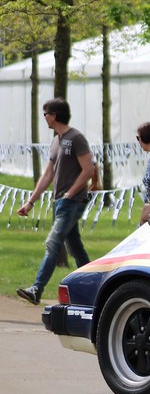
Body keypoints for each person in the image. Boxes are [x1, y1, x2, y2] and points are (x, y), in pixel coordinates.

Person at [16, 98, 94, 305]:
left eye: (46, 113)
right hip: (59, 202)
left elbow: (89, 169)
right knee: (75, 248)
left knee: (53, 242)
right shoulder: (56, 140)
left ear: (55, 115)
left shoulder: (76, 138)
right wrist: (31, 202)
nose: (44, 117)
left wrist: (71, 193)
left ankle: (36, 289)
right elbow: (47, 175)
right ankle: (96, 286)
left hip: (72, 202)